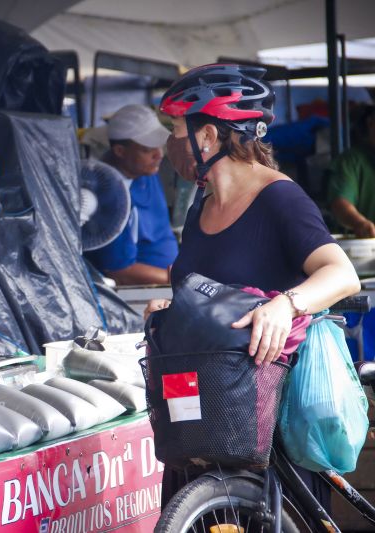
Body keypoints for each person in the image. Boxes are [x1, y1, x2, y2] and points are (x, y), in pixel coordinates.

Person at [147, 63, 360, 513]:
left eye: (175, 130)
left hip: (268, 429)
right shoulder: (199, 209)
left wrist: (285, 305)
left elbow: (341, 273)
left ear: (207, 136)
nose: (170, 144)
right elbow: (209, 297)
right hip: (206, 421)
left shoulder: (279, 197)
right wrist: (174, 309)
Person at [84, 104, 178, 285]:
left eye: (158, 146)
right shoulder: (106, 196)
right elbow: (120, 271)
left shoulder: (144, 171)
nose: (158, 155)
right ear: (120, 151)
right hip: (145, 291)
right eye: (147, 149)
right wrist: (178, 281)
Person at [328, 104, 375, 237]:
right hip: (365, 247)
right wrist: (360, 223)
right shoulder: (351, 161)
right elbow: (340, 202)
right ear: (370, 123)